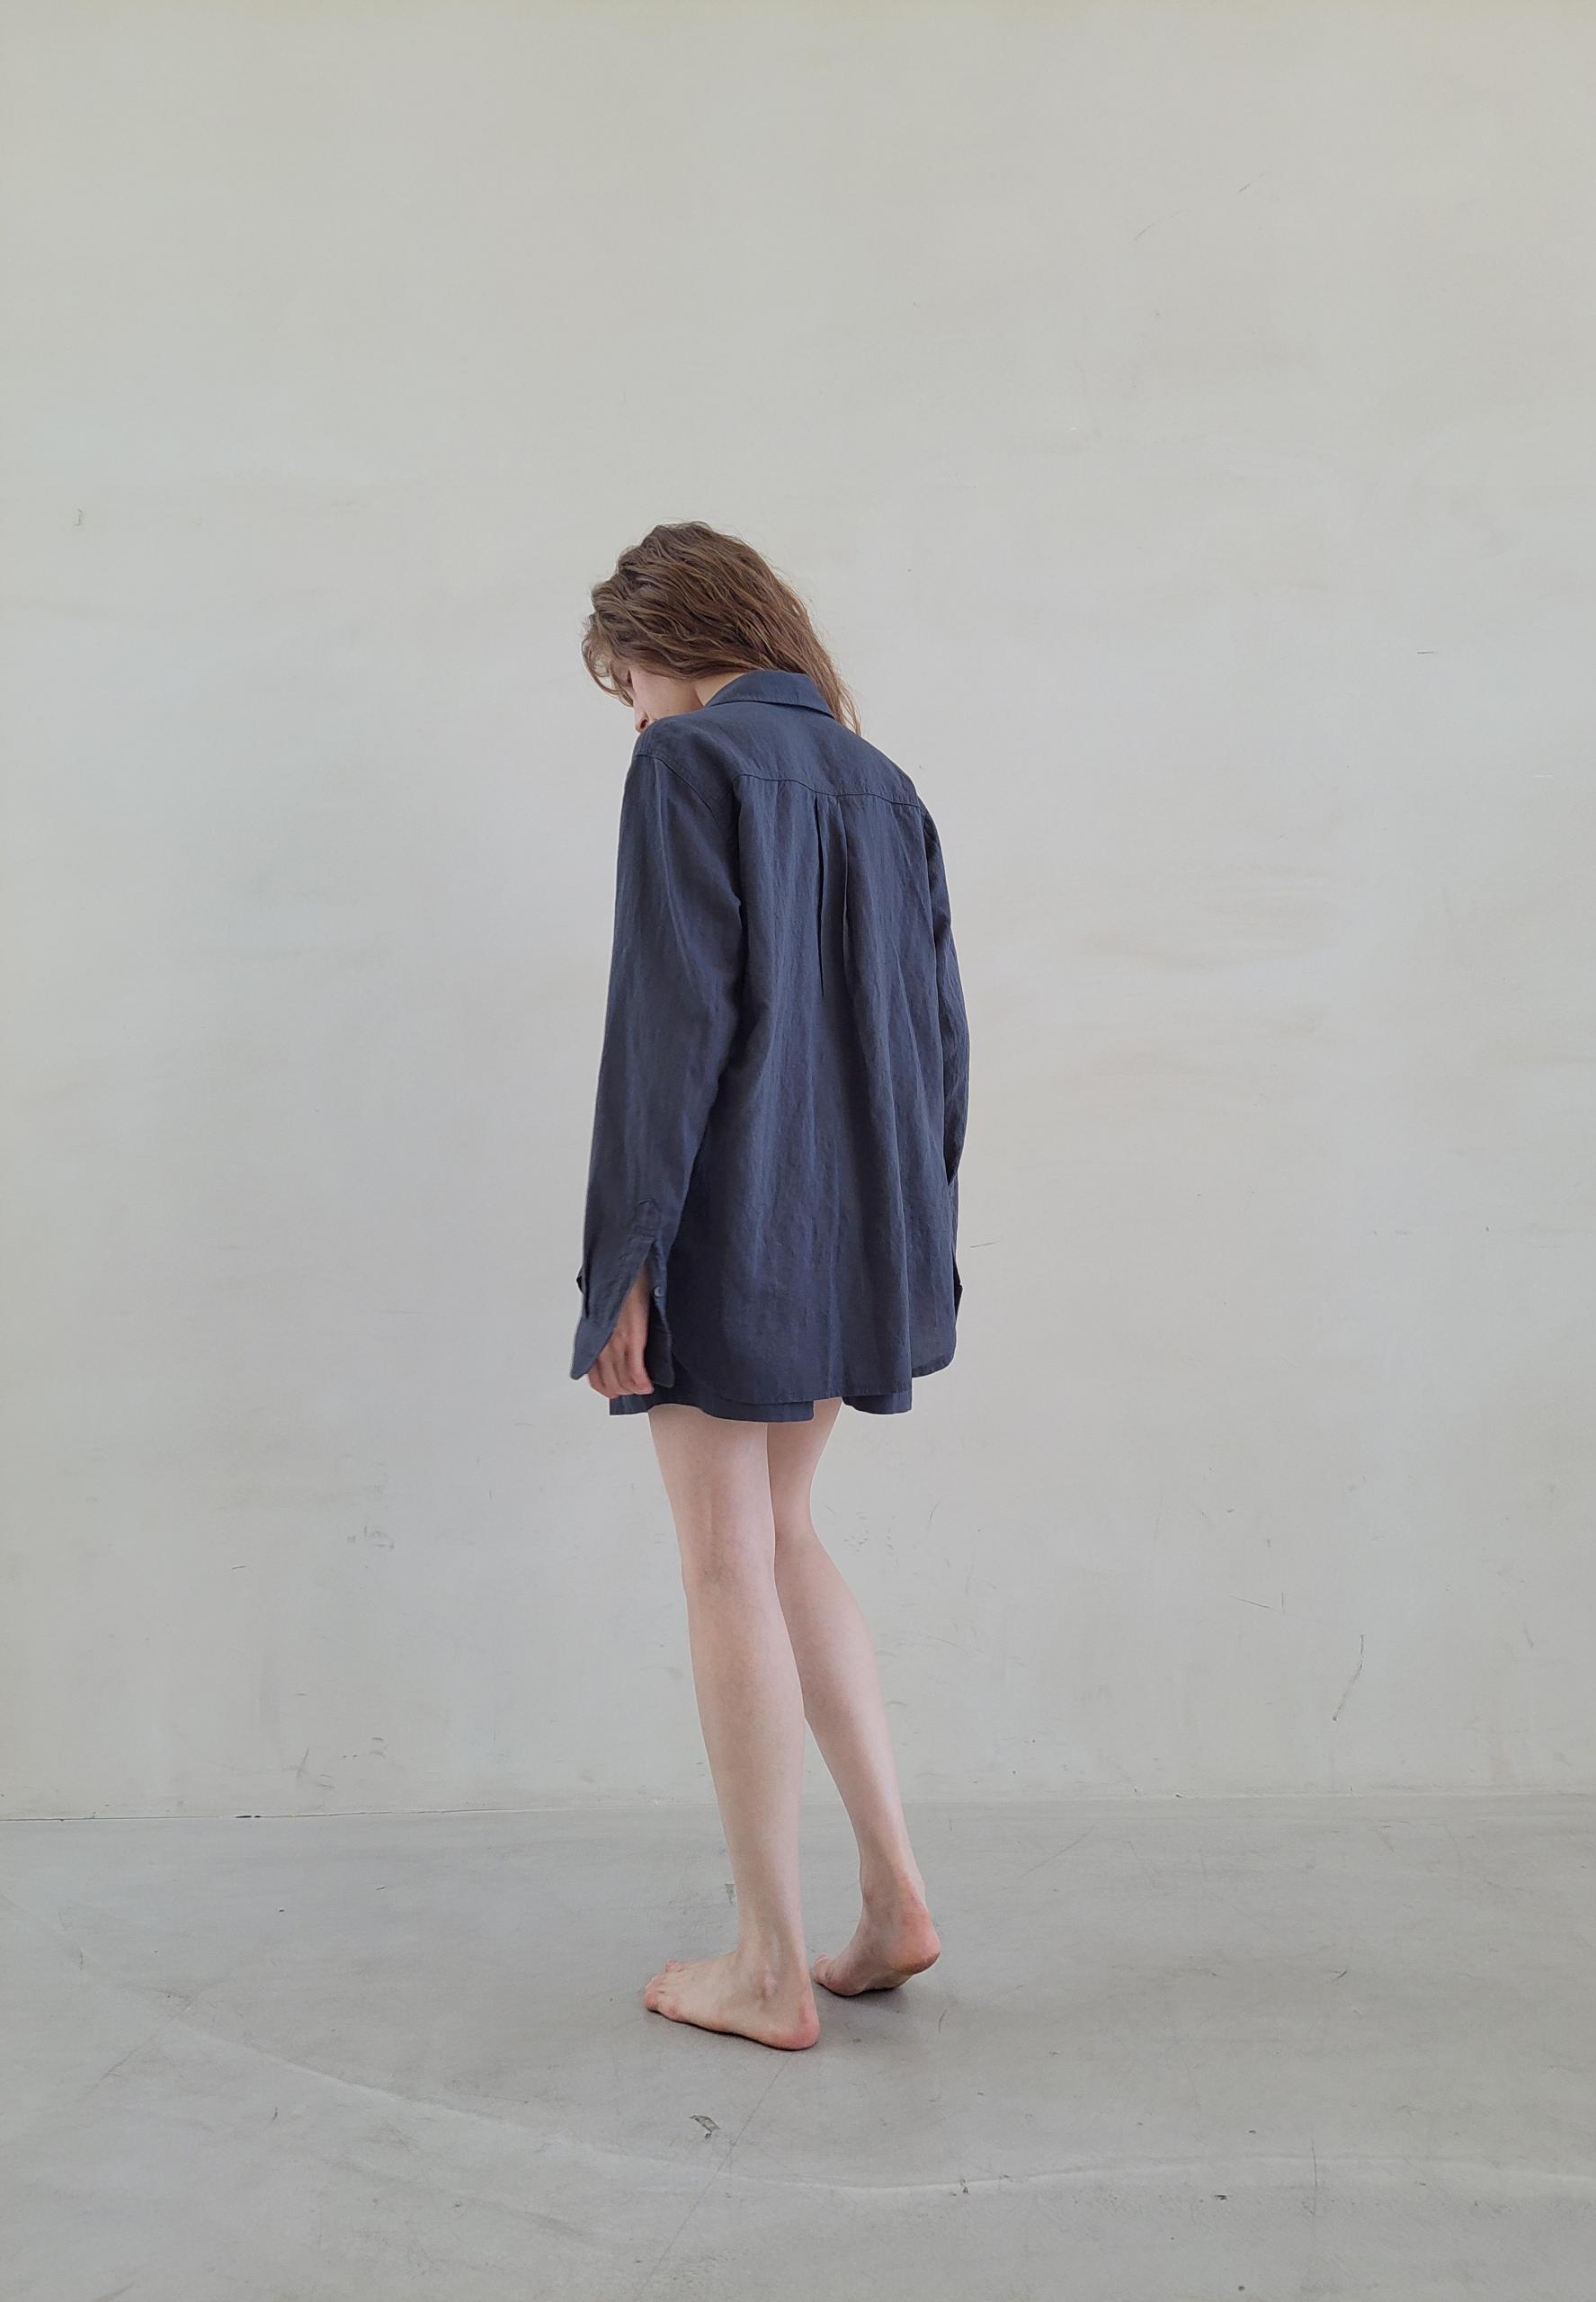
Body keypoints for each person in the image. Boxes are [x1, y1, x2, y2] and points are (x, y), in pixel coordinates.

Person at [569, 522, 969, 2049]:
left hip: (727, 1221)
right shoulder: (883, 783)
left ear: (661, 644)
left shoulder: (687, 766)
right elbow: (942, 1040)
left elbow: (667, 1030)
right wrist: (914, 1231)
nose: (630, 714)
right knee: (788, 1533)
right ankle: (893, 1899)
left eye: (623, 681)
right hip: (862, 1224)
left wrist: (626, 1260)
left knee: (724, 1559)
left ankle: (768, 1966)